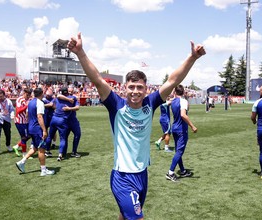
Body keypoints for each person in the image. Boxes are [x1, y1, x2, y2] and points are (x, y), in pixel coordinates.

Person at [67, 32, 205, 220]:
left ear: (146, 89)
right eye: (131, 87)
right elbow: (97, 79)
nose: (135, 91)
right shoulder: (116, 105)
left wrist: (192, 57)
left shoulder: (151, 103)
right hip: (122, 177)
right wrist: (80, 53)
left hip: (142, 175)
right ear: (125, 88)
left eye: (139, 87)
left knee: (125, 216)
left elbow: (173, 81)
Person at [15, 88, 55, 176]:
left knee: (34, 147)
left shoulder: (31, 102)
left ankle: (22, 162)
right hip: (37, 129)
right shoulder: (39, 103)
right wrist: (44, 130)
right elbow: (40, 117)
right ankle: (43, 170)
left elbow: (27, 114)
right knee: (41, 150)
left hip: (31, 128)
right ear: (42, 94)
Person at [166, 85, 197, 182]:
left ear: (175, 92)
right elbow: (183, 114)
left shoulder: (172, 101)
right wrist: (192, 126)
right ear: (183, 92)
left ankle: (182, 170)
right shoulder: (183, 101)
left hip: (174, 127)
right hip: (181, 129)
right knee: (179, 151)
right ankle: (170, 172)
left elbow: (166, 103)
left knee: (178, 151)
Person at [57, 86, 81, 158]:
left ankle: (74, 151)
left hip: (73, 120)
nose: (69, 93)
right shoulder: (62, 97)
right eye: (69, 92)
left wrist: (69, 108)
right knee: (64, 137)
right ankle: (63, 153)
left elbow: (77, 107)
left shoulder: (73, 98)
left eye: (71, 92)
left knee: (78, 134)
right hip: (65, 121)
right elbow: (58, 95)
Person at [0, 89, 15, 157]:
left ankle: (8, 145)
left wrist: (12, 115)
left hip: (6, 120)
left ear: (4, 95)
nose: (0, 98)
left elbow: (12, 109)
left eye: (1, 96)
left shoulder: (9, 101)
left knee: (8, 134)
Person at [12, 88, 32, 157]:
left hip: (26, 121)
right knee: (24, 137)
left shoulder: (29, 100)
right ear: (24, 93)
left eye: (29, 95)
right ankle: (24, 154)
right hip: (19, 121)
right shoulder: (19, 100)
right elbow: (18, 111)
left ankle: (17, 146)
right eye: (27, 95)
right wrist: (27, 105)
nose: (28, 96)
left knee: (29, 135)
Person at [42, 88, 57, 157]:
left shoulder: (53, 99)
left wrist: (52, 106)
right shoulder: (43, 99)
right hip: (45, 116)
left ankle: (53, 143)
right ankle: (46, 143)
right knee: (45, 130)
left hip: (52, 116)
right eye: (47, 95)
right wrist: (48, 105)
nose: (47, 96)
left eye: (49, 95)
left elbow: (55, 107)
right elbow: (41, 106)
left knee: (53, 131)